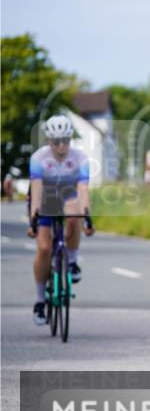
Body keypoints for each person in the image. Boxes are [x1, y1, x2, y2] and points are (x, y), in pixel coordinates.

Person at [26, 115, 94, 325]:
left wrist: (87, 218)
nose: (62, 146)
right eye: (57, 142)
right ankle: (39, 301)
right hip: (44, 200)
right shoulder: (39, 158)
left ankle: (72, 261)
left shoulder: (80, 158)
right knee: (45, 249)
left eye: (66, 140)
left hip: (67, 197)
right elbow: (36, 191)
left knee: (74, 215)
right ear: (49, 141)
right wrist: (33, 220)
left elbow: (82, 190)